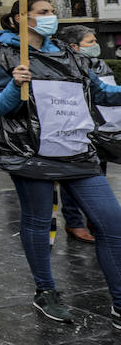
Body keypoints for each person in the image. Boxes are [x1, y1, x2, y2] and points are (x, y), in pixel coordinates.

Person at [0, 0, 121, 325]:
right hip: (32, 154)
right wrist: (17, 84)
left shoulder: (69, 54)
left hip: (77, 151)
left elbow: (99, 92)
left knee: (111, 222)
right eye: (43, 12)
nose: (51, 17)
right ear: (19, 18)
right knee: (39, 221)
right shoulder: (4, 55)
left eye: (53, 11)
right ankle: (46, 291)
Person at [57, 24, 116, 243]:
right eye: (90, 42)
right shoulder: (67, 67)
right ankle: (73, 223)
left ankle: (94, 217)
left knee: (98, 173)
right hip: (76, 130)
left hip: (101, 129)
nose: (95, 45)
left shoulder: (100, 65)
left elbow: (106, 93)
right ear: (74, 46)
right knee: (73, 178)